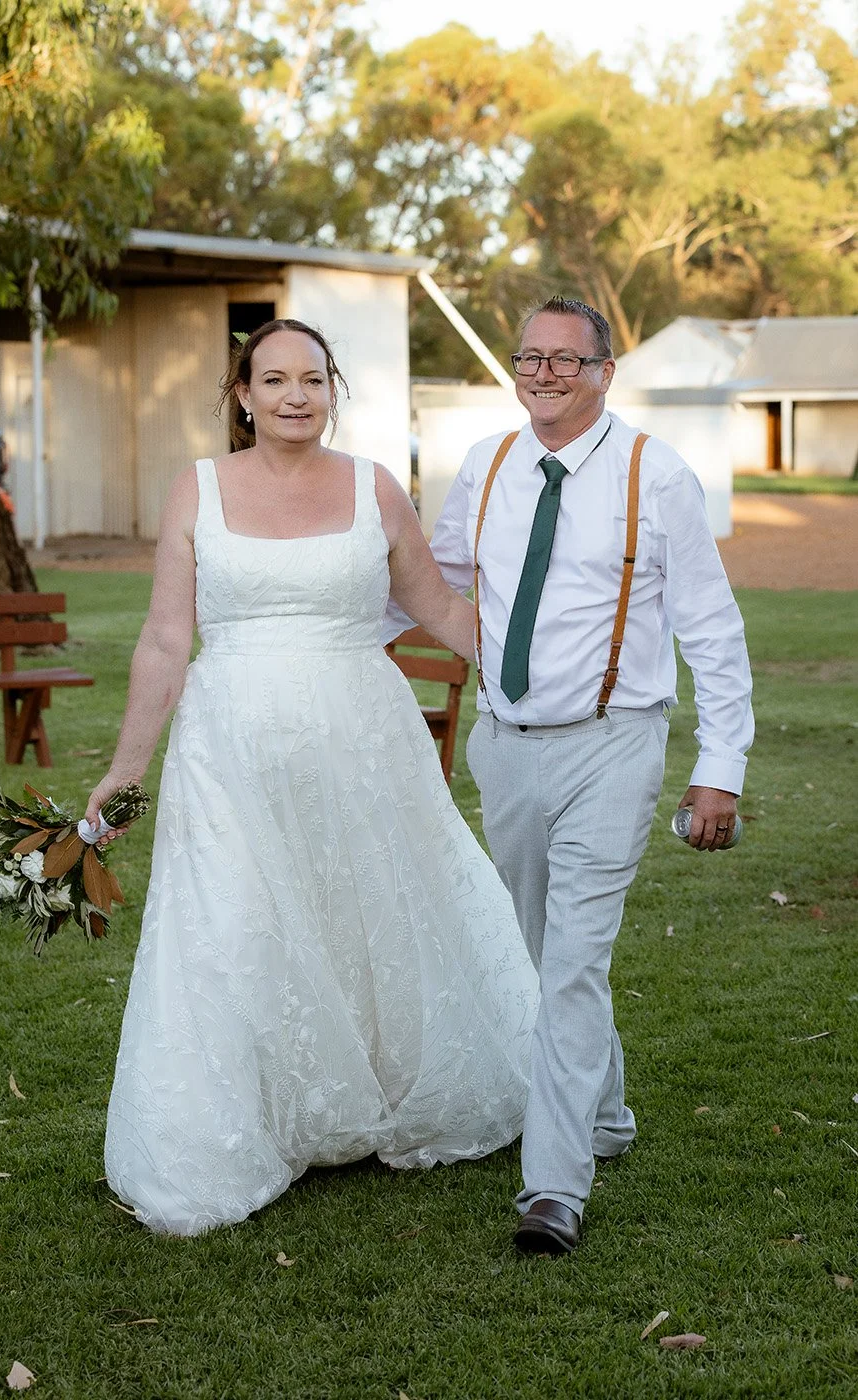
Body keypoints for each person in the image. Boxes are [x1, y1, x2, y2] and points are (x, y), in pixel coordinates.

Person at [85, 318, 538, 1236]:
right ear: (241, 397)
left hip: (364, 743)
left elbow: (441, 607)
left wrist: (552, 677)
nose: (296, 395)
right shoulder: (197, 491)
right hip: (228, 754)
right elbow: (169, 639)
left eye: (314, 379)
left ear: (333, 390)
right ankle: (240, 1124)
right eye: (274, 380)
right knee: (234, 921)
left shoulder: (376, 488)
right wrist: (126, 772)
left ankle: (383, 1092)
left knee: (373, 911)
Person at [388, 295, 754, 1256]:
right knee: (544, 950)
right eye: (529, 357)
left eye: (564, 359)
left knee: (575, 959)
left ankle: (552, 1187)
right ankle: (607, 1116)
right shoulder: (489, 464)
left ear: (603, 371)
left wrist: (719, 768)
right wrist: (322, 631)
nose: (543, 373)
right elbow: (441, 579)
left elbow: (711, 632)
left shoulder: (656, 476)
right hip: (504, 749)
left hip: (612, 742)